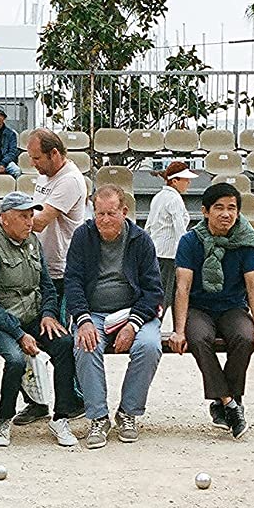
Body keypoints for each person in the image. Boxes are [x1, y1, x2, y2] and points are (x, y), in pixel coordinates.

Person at [0, 191, 79, 448]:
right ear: (5, 219)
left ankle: (61, 416)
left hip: (33, 315)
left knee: (65, 344)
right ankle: (4, 418)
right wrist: (19, 334)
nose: (30, 222)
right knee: (15, 358)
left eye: (31, 215)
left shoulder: (34, 241)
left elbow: (47, 286)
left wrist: (48, 315)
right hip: (2, 319)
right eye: (23, 216)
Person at [64, 185, 164, 449]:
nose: (105, 220)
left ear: (124, 211)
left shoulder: (140, 240)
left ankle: (128, 413)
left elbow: (154, 290)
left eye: (111, 213)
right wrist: (83, 319)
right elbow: (72, 281)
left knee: (150, 346)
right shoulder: (82, 236)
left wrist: (133, 323)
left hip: (134, 311)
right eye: (99, 214)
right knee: (85, 345)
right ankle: (98, 417)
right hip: (94, 311)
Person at [168, 182, 254, 439]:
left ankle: (224, 402)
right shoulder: (190, 241)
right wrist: (179, 330)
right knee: (199, 338)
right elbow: (182, 288)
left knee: (244, 338)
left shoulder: (246, 242)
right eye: (219, 208)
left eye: (232, 208)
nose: (226, 214)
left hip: (232, 307)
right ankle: (230, 403)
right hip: (198, 308)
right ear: (205, 211)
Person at [16, 127, 89, 426]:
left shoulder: (70, 180)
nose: (33, 163)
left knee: (58, 338)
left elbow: (40, 220)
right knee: (23, 334)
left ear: (54, 154)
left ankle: (73, 401)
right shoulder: (45, 177)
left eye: (37, 158)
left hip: (62, 272)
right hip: (39, 267)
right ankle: (36, 401)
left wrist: (6, 218)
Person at [144, 160, 199, 312]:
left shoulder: (158, 197)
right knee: (168, 297)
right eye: (185, 180)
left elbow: (148, 226)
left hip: (157, 253)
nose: (188, 183)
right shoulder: (175, 200)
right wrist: (187, 252)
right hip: (170, 256)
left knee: (162, 295)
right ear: (175, 181)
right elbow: (180, 230)